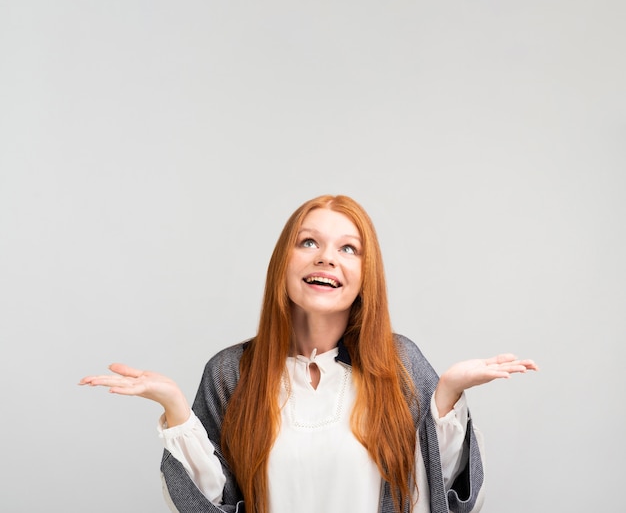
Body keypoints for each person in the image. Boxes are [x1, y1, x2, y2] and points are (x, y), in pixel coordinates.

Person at [80, 194, 538, 513]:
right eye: (309, 242)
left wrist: (447, 396)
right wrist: (177, 413)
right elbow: (210, 505)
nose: (327, 258)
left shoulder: (400, 364)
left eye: (348, 248)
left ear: (365, 275)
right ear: (285, 261)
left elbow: (445, 496)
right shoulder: (230, 373)